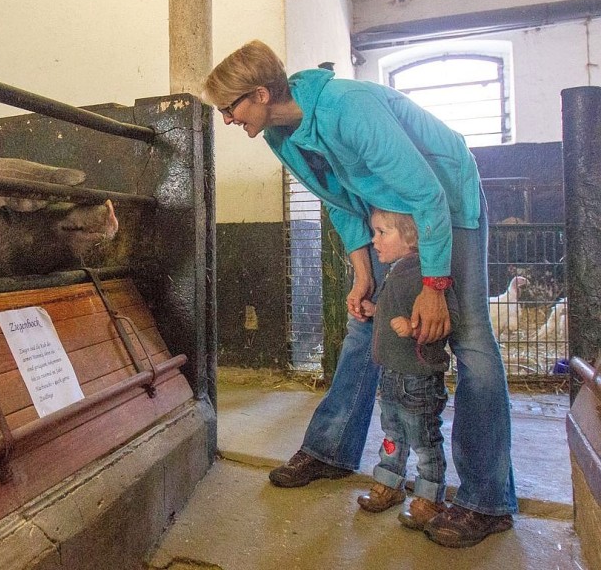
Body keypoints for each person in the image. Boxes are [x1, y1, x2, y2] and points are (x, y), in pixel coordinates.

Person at [202, 40, 517, 548]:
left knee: (471, 336)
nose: (227, 120)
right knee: (365, 321)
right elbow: (338, 199)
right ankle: (331, 449)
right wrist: (362, 272)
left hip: (444, 201)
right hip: (385, 211)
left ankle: (486, 498)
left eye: (228, 108)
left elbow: (427, 194)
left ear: (260, 94)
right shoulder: (279, 135)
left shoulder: (349, 107)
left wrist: (435, 287)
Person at [355, 208, 456, 532]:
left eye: (382, 232)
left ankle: (429, 497)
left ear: (411, 237)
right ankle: (390, 483)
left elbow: (449, 318)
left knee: (424, 439)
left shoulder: (426, 275)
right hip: (392, 374)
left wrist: (414, 328)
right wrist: (375, 310)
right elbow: (393, 310)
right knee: (392, 435)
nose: (375, 240)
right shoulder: (397, 270)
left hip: (418, 377)